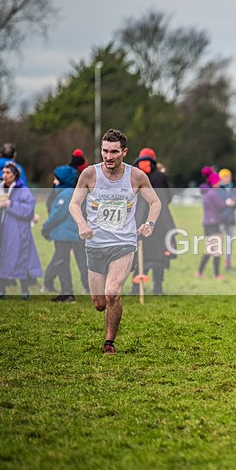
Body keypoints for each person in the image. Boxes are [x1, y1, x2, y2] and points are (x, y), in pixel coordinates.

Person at [68, 129, 161, 354]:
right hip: (95, 245)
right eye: (105, 151)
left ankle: (109, 342)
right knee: (100, 303)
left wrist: (149, 224)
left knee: (112, 292)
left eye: (114, 152)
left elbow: (155, 202)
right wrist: (82, 224)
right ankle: (107, 322)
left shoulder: (136, 176)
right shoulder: (89, 175)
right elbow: (74, 204)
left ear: (124, 152)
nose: (109, 157)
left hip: (124, 244)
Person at [132, 148, 177, 295]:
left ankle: (136, 287)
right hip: (161, 220)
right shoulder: (160, 176)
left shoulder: (134, 175)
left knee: (140, 254)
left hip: (139, 220)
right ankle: (158, 288)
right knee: (159, 255)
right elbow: (170, 196)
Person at [41, 163, 86, 302]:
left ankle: (67, 293)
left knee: (62, 263)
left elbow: (57, 215)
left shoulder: (66, 194)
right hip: (66, 234)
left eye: (56, 179)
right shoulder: (66, 192)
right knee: (63, 262)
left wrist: (45, 227)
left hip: (64, 235)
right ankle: (67, 292)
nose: (54, 182)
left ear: (63, 179)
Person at [0, 162, 42, 299]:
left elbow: (29, 209)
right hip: (2, 230)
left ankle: (24, 290)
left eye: (8, 173)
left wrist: (10, 205)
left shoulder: (22, 190)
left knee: (19, 259)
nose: (4, 176)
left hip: (17, 231)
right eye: (3, 172)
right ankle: (2, 289)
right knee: (2, 259)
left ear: (15, 175)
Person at [196, 167, 226, 279]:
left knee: (210, 249)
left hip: (207, 223)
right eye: (218, 181)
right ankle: (216, 274)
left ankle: (200, 272)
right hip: (214, 223)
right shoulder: (213, 193)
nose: (219, 183)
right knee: (217, 250)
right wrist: (228, 202)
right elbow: (221, 206)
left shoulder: (206, 193)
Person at [218, 168, 236, 270]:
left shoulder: (233, 189)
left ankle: (228, 263)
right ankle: (217, 263)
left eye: (228, 177)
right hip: (220, 221)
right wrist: (225, 203)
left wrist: (233, 203)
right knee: (218, 243)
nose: (227, 179)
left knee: (229, 243)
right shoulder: (217, 190)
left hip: (230, 220)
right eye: (225, 177)